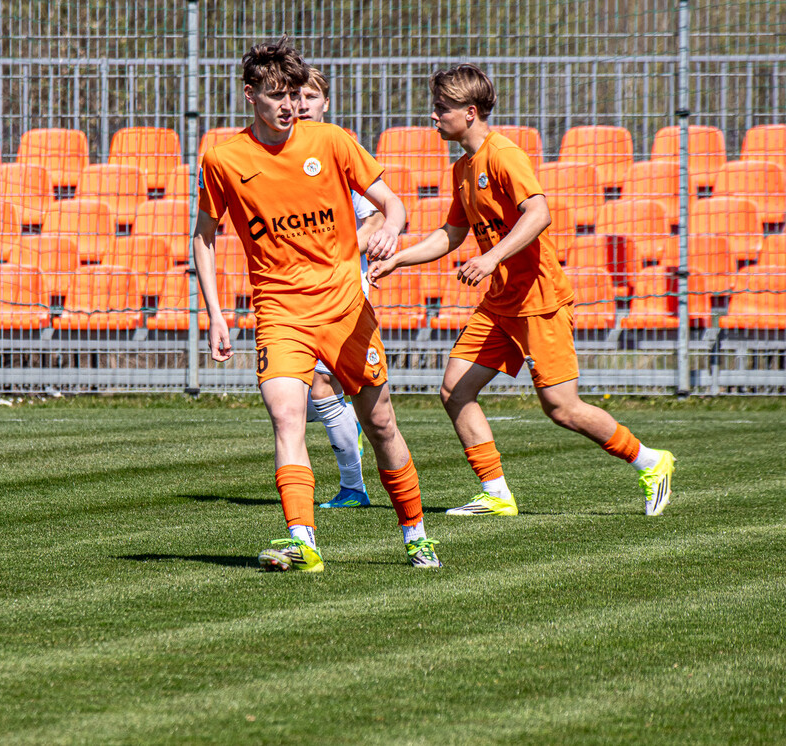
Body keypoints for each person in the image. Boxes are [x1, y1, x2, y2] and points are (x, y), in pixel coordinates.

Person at [367, 63, 675, 517]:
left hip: (539, 300)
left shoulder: (504, 155)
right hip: (500, 303)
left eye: (441, 108)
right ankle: (496, 493)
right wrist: (396, 259)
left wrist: (491, 257)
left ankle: (651, 462)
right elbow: (450, 235)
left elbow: (539, 213)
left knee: (562, 408)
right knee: (454, 391)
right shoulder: (463, 168)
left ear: (470, 112)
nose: (434, 117)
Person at [192, 37, 442, 571]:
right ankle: (304, 542)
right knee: (287, 419)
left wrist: (390, 229)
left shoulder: (331, 141)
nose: (288, 105)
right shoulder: (223, 160)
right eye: (275, 94)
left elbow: (393, 205)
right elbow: (204, 237)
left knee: (381, 425)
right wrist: (214, 312)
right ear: (250, 95)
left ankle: (417, 535)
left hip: (345, 308)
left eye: (293, 94)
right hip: (280, 311)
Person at [297, 66, 385, 510]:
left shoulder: (337, 146)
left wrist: (349, 251)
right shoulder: (277, 152)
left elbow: (376, 214)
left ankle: (353, 486)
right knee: (305, 394)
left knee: (323, 387)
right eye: (296, 95)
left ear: (325, 103)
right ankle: (352, 468)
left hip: (347, 287)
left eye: (311, 96)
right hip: (296, 293)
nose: (303, 104)